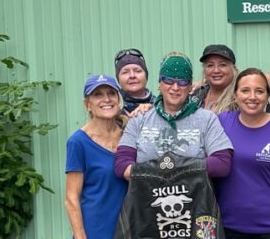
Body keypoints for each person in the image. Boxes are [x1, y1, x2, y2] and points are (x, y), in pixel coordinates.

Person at [114, 52, 233, 238]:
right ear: (160, 83)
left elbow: (223, 163)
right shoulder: (140, 120)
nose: (175, 88)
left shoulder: (206, 119)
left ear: (190, 85)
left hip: (196, 214)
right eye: (168, 80)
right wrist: (177, 169)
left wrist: (167, 168)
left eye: (183, 82)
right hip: (148, 217)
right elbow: (121, 166)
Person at [215, 68, 270, 238]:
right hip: (228, 226)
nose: (252, 97)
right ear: (235, 95)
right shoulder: (221, 122)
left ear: (268, 96)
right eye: (245, 90)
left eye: (259, 91)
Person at [65, 74, 128, 239]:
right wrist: (80, 236)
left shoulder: (129, 136)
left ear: (119, 100)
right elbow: (71, 198)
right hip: (95, 232)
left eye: (111, 93)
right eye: (98, 94)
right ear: (88, 104)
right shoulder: (78, 142)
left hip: (129, 230)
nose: (106, 99)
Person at [193, 44, 239, 114]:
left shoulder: (240, 99)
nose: (216, 70)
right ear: (204, 70)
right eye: (210, 65)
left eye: (222, 65)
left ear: (233, 69)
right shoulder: (195, 95)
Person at [114, 48, 155, 117]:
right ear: (118, 79)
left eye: (137, 71)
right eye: (125, 72)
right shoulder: (112, 109)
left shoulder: (160, 106)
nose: (132, 76)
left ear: (146, 75)